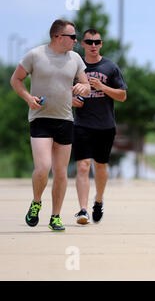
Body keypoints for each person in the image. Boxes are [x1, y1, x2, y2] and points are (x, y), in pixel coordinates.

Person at [10, 19, 90, 231]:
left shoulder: (75, 59)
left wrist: (83, 88)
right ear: (58, 37)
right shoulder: (35, 55)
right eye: (72, 37)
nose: (76, 40)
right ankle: (36, 202)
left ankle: (55, 216)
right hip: (40, 119)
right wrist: (28, 98)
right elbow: (16, 80)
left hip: (65, 120)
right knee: (43, 167)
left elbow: (86, 85)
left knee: (61, 173)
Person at [72, 29, 127, 224]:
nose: (93, 45)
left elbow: (122, 95)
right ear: (83, 44)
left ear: (101, 44)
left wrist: (102, 87)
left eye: (97, 42)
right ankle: (83, 210)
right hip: (82, 124)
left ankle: (99, 201)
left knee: (101, 165)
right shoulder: (75, 66)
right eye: (89, 42)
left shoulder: (110, 67)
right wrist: (72, 100)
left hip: (105, 125)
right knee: (83, 165)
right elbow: (63, 92)